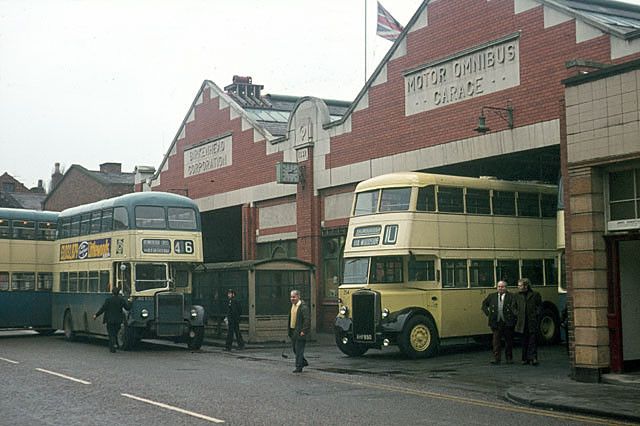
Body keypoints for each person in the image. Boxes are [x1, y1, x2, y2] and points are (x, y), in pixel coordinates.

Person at [481, 280, 517, 364]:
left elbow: (516, 307)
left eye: (502, 287)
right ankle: (496, 358)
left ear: (506, 288)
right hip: (496, 322)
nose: (500, 288)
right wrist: (488, 313)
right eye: (499, 287)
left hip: (507, 322)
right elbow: (484, 305)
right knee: (496, 341)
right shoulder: (492, 296)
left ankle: (509, 358)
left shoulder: (511, 296)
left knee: (509, 341)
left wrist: (514, 317)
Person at [93, 285, 130, 353]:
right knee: (115, 333)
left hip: (109, 320)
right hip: (118, 320)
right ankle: (114, 344)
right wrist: (130, 302)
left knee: (111, 334)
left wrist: (96, 315)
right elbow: (127, 308)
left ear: (112, 292)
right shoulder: (121, 300)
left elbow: (103, 309)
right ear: (118, 292)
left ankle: (112, 347)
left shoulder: (108, 300)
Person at [515, 278, 542, 366]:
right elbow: (513, 307)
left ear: (526, 286)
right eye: (518, 285)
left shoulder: (535, 294)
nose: (519, 287)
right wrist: (517, 314)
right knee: (524, 341)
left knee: (533, 340)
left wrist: (536, 314)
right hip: (522, 322)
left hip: (531, 320)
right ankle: (525, 358)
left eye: (520, 285)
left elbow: (539, 306)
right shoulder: (517, 295)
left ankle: (533, 358)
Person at [288, 289, 310, 373]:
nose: (292, 299)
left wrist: (304, 331)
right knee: (295, 349)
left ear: (298, 296)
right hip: (293, 331)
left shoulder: (303, 307)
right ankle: (303, 362)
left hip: (300, 331)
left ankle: (298, 367)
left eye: (294, 297)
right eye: (291, 297)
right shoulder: (293, 306)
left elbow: (307, 319)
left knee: (299, 349)